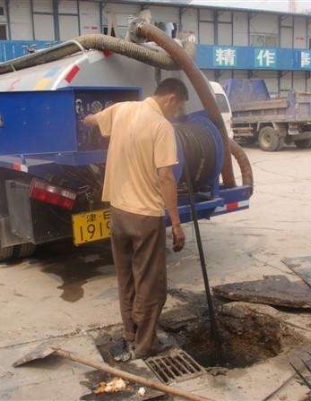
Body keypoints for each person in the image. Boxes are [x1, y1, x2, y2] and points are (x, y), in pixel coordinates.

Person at [83, 78, 187, 359]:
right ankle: (145, 345)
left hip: (118, 212)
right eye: (178, 107)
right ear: (171, 98)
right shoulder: (162, 126)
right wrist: (176, 224)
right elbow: (166, 177)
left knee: (126, 276)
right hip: (145, 216)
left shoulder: (122, 110)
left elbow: (92, 119)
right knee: (151, 283)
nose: (177, 113)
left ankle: (131, 332)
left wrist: (85, 118)